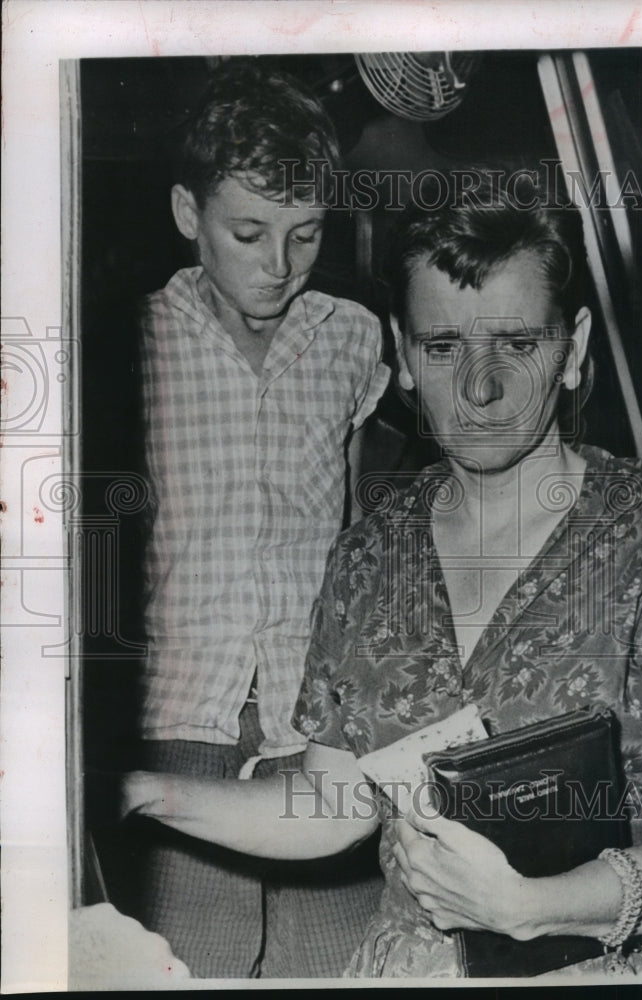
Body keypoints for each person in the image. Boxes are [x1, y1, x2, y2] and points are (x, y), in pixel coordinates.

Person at [124, 171, 642, 978]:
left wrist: (536, 906)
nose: (481, 387)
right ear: (404, 356)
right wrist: (147, 792)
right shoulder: (369, 559)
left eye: (518, 344)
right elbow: (336, 803)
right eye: (444, 347)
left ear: (574, 349)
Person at [134, 59, 389, 977]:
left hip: (315, 727)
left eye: (305, 235)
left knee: (340, 972)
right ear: (187, 214)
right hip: (176, 719)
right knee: (182, 967)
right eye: (248, 233)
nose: (279, 266)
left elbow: (353, 530)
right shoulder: (133, 338)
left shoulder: (352, 338)